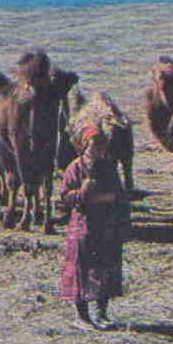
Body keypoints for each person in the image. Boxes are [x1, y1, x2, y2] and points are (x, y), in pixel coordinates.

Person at [58, 124, 130, 329]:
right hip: (83, 227)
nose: (98, 148)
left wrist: (112, 205)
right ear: (85, 145)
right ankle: (82, 317)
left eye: (101, 144)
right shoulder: (75, 167)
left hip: (106, 226)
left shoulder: (109, 167)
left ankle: (101, 313)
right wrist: (83, 192)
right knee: (81, 269)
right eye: (94, 144)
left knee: (105, 268)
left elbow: (120, 195)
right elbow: (64, 197)